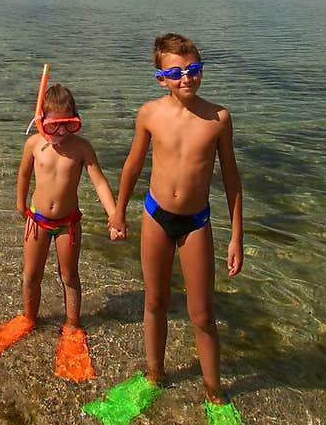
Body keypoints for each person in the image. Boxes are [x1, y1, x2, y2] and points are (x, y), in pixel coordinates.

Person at [110, 33, 243, 402]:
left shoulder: (218, 119)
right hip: (155, 216)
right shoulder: (150, 114)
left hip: (196, 222)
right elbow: (133, 165)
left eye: (194, 69)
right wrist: (119, 212)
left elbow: (232, 178)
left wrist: (236, 235)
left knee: (202, 315)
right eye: (176, 72)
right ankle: (154, 375)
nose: (186, 78)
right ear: (161, 78)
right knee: (155, 303)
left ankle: (214, 393)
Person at [16, 82, 121, 333]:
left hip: (68, 224)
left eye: (69, 124)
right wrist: (21, 204)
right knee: (31, 276)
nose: (62, 131)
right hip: (37, 221)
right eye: (55, 126)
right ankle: (29, 318)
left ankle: (73, 324)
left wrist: (114, 215)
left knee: (70, 276)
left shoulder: (81, 147)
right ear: (41, 120)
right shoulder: (33, 145)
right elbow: (23, 176)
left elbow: (98, 181)